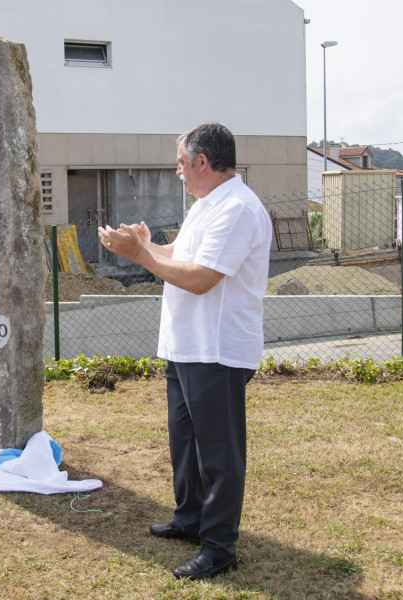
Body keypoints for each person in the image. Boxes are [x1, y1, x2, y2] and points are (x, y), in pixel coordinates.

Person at [98, 123, 271, 580]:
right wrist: (149, 245)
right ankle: (190, 517)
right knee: (186, 443)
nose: (177, 171)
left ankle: (218, 548)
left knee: (218, 453)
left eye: (180, 162)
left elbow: (199, 278)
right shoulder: (207, 206)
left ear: (202, 162)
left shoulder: (237, 209)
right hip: (188, 346)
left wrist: (140, 256)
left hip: (217, 349)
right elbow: (182, 254)